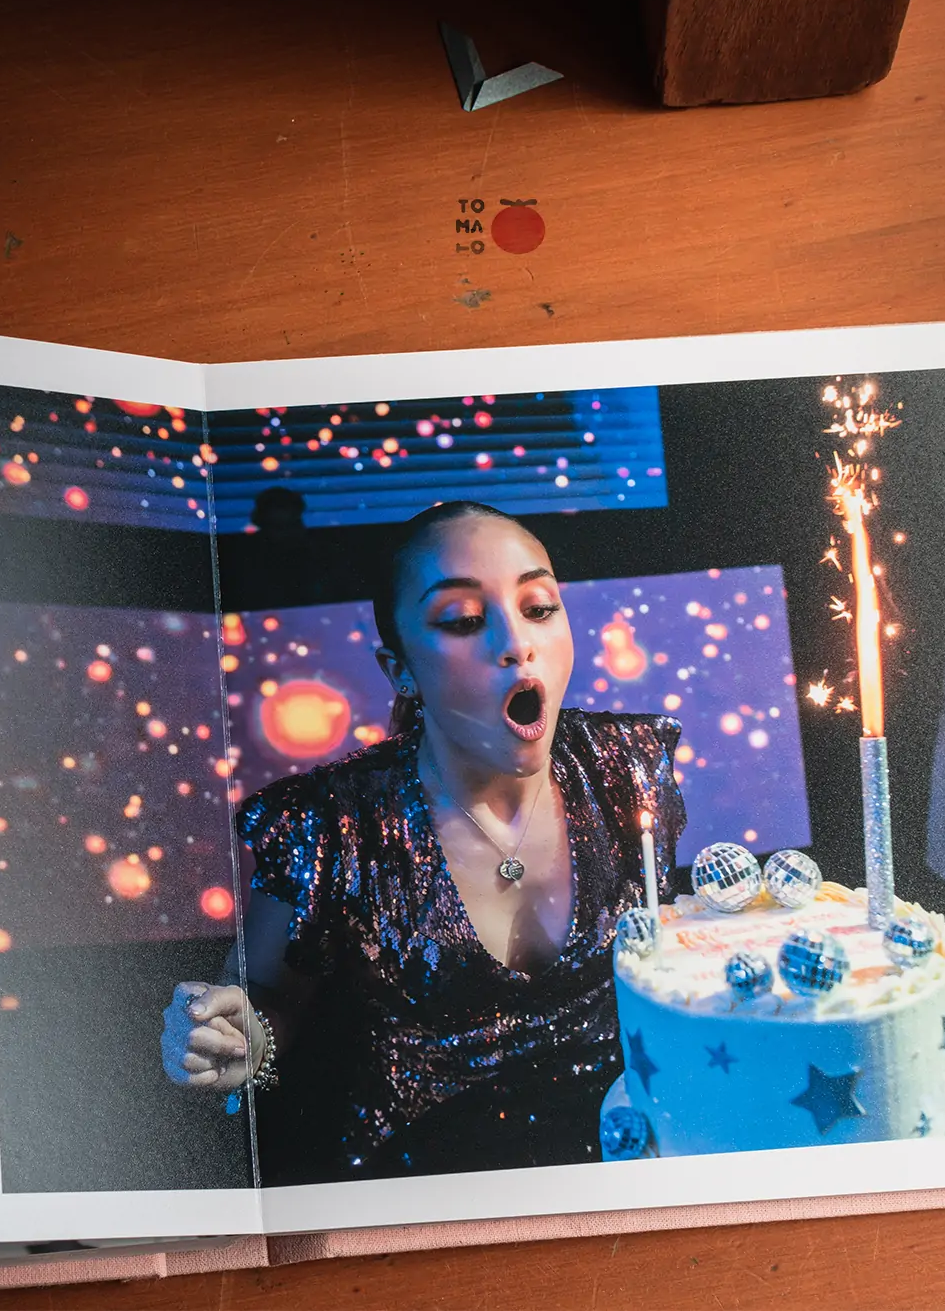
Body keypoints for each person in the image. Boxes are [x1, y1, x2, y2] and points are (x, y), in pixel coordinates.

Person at [161, 501, 685, 1181]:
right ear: (399, 667)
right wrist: (238, 1041)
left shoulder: (628, 767)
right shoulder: (333, 822)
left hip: (629, 1152)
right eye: (464, 620)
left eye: (539, 607)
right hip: (425, 1180)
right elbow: (269, 1004)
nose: (515, 643)